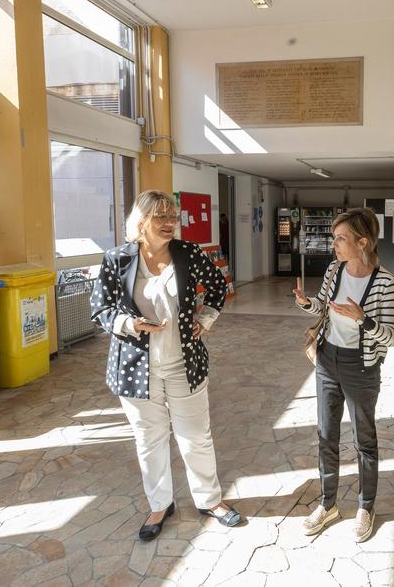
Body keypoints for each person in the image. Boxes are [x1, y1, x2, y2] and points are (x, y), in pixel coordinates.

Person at [91, 190, 241, 541]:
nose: (170, 223)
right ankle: (160, 505)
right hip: (136, 366)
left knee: (195, 436)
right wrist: (131, 325)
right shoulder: (117, 259)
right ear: (140, 222)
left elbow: (219, 286)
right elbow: (99, 310)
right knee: (149, 438)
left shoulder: (187, 253)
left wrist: (206, 318)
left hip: (183, 362)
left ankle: (210, 501)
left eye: (173, 216)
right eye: (161, 217)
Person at [292, 207, 394, 542]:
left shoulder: (385, 283)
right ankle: (328, 504)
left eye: (341, 238)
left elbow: (391, 336)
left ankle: (365, 507)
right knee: (326, 435)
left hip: (361, 367)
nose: (334, 244)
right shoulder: (334, 270)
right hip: (327, 360)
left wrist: (362, 318)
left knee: (364, 440)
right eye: (334, 238)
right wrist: (305, 303)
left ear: (362, 242)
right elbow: (324, 307)